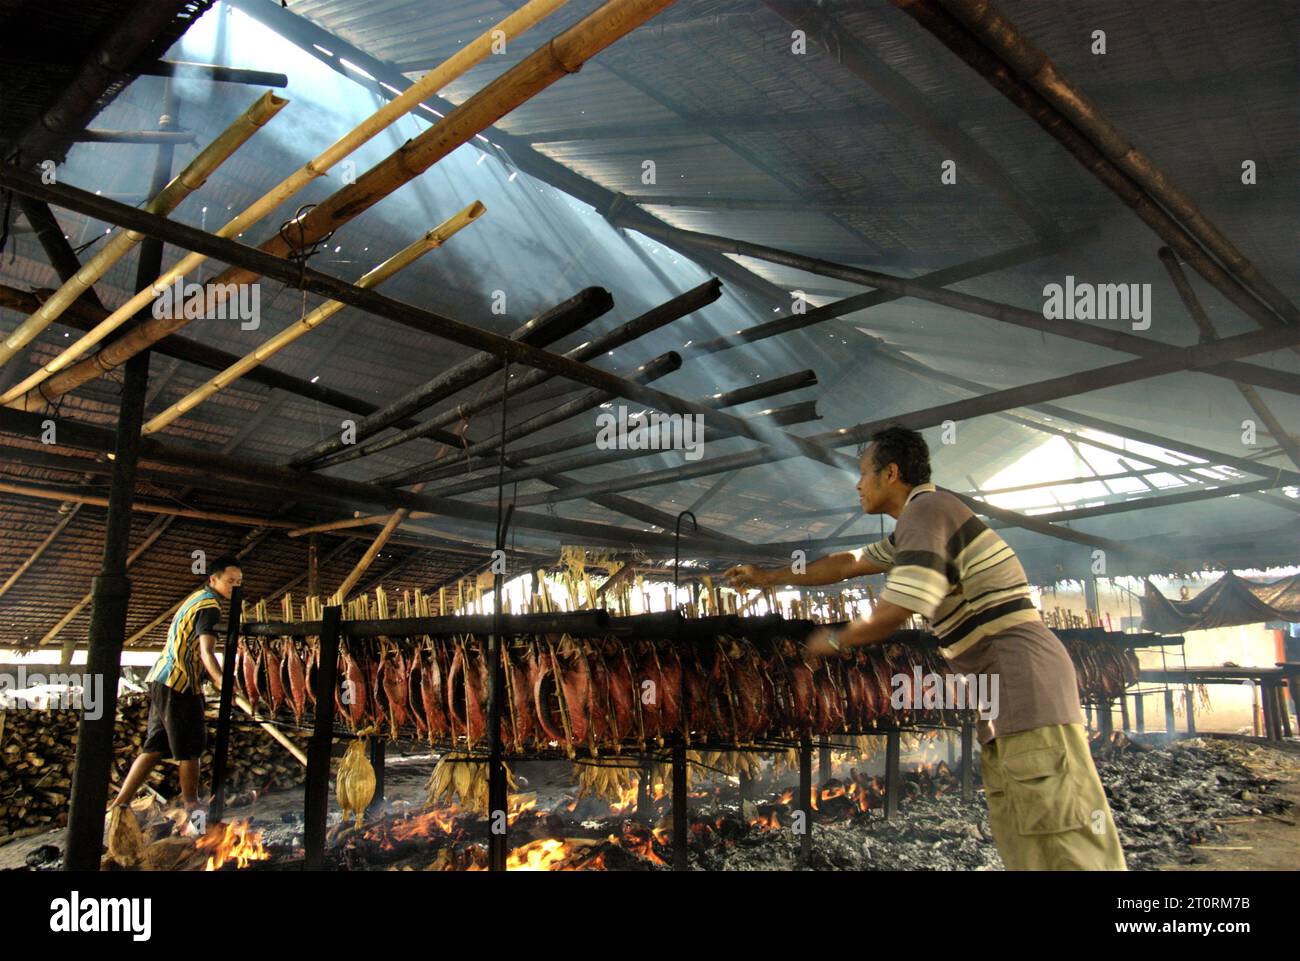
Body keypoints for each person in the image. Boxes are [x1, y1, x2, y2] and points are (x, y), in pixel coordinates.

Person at [724, 426, 1125, 871]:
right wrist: (770, 576)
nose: (857, 485)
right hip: (1002, 692)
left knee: (1062, 837)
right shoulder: (916, 528)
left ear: (891, 473)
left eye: (863, 474)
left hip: (1022, 681)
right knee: (1027, 838)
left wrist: (834, 640)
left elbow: (897, 610)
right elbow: (850, 563)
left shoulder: (928, 510)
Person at [109, 555, 243, 817]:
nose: (234, 587)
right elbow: (206, 652)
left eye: (239, 582)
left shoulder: (196, 598)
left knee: (156, 746)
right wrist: (224, 683)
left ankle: (120, 803)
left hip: (162, 679)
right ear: (213, 579)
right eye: (230, 581)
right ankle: (192, 805)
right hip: (178, 682)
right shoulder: (209, 606)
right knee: (190, 747)